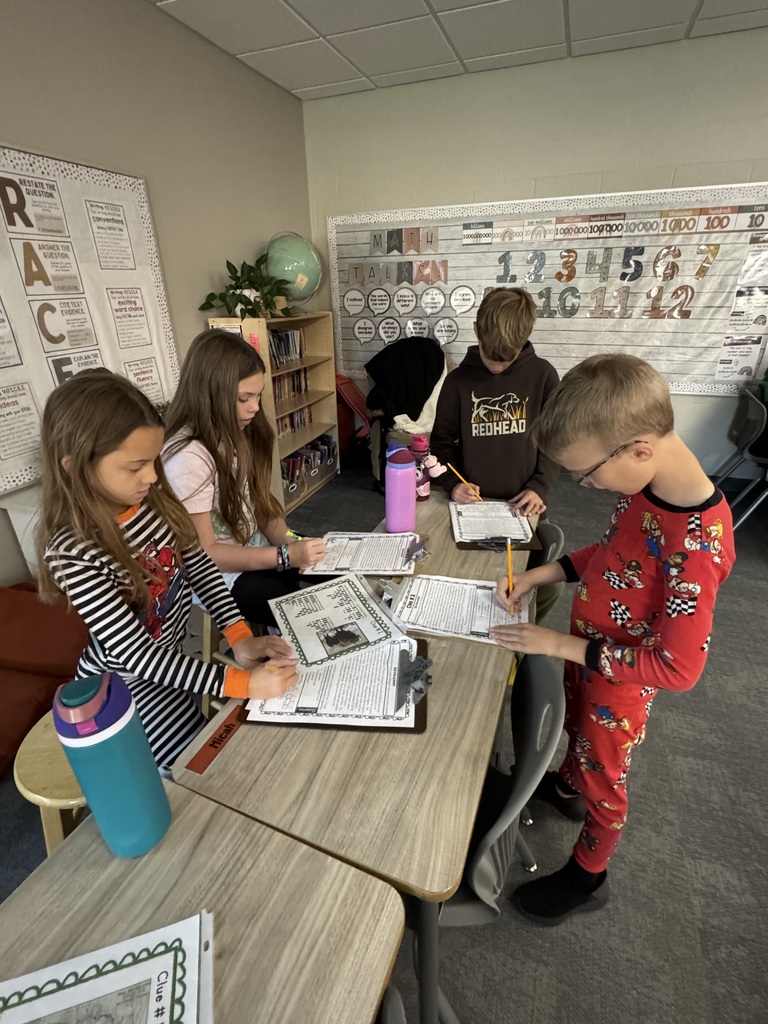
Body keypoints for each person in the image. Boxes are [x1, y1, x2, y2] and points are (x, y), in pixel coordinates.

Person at [490, 354, 735, 925]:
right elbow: (612, 554)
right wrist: (538, 574)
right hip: (590, 652)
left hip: (622, 684)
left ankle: (588, 876)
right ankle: (567, 788)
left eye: (588, 474)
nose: (585, 485)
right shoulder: (647, 487)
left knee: (606, 776)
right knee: (577, 735)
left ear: (639, 449)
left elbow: (678, 669)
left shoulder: (695, 546)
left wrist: (557, 647)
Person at [36, 370, 299, 770]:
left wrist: (241, 636)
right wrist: (241, 683)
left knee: (209, 757)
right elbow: (136, 655)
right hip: (124, 696)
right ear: (76, 466)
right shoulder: (73, 551)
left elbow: (202, 570)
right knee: (186, 780)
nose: (152, 476)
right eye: (134, 466)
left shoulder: (153, 502)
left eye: (154, 461)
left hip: (173, 673)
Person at [163, 329, 326, 628]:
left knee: (332, 567)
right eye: (244, 397)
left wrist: (290, 541)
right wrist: (284, 557)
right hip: (219, 576)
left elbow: (262, 507)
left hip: (258, 547)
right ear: (209, 393)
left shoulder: (240, 431)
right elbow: (206, 554)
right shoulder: (188, 459)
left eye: (258, 396)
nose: (255, 407)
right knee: (305, 611)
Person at [430, 286, 559, 515]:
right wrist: (453, 484)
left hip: (526, 502)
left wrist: (540, 486)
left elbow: (554, 440)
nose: (497, 368)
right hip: (470, 503)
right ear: (477, 331)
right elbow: (441, 443)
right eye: (490, 357)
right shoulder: (457, 382)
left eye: (507, 361)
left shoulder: (544, 376)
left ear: (526, 336)